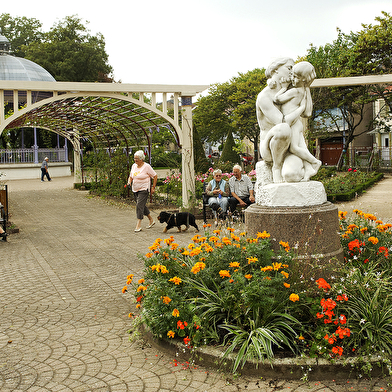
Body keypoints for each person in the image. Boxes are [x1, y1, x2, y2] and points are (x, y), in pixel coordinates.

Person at [274, 61, 321, 181]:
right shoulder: (304, 91)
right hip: (296, 123)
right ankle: (309, 167)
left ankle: (314, 162)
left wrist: (283, 87)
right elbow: (308, 112)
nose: (292, 79)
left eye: (295, 77)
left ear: (304, 80)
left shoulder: (294, 91)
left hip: (293, 124)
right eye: (293, 75)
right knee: (300, 147)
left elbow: (277, 99)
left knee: (294, 148)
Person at [127, 150, 157, 232]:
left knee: (139, 205)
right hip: (135, 188)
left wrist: (153, 187)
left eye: (137, 158)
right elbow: (131, 176)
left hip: (144, 189)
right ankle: (151, 220)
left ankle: (138, 224)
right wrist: (129, 182)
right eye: (134, 158)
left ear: (141, 159)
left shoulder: (146, 166)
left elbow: (155, 176)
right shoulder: (134, 166)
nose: (135, 160)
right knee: (141, 205)